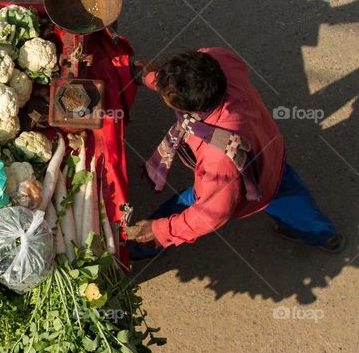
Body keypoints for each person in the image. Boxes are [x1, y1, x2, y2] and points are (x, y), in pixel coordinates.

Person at [124, 48, 342, 258]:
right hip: (269, 150)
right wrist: (151, 77)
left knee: (185, 208)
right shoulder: (219, 60)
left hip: (244, 181)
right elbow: (189, 80)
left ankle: (141, 245)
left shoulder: (218, 159)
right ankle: (326, 238)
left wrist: (162, 230)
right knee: (293, 202)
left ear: (185, 106)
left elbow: (213, 213)